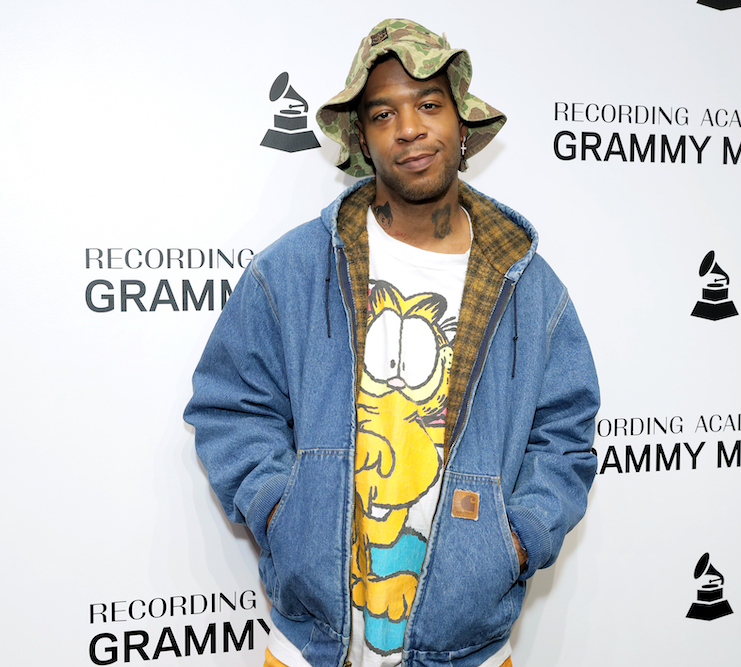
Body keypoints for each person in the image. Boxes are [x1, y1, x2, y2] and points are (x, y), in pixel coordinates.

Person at [184, 18, 599, 667]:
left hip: (471, 652)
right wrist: (283, 510)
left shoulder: (527, 287)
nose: (409, 128)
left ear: (462, 123)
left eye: (429, 104)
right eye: (384, 114)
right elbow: (230, 407)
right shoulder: (293, 270)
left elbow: (565, 436)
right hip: (309, 649)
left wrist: (515, 538)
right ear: (361, 138)